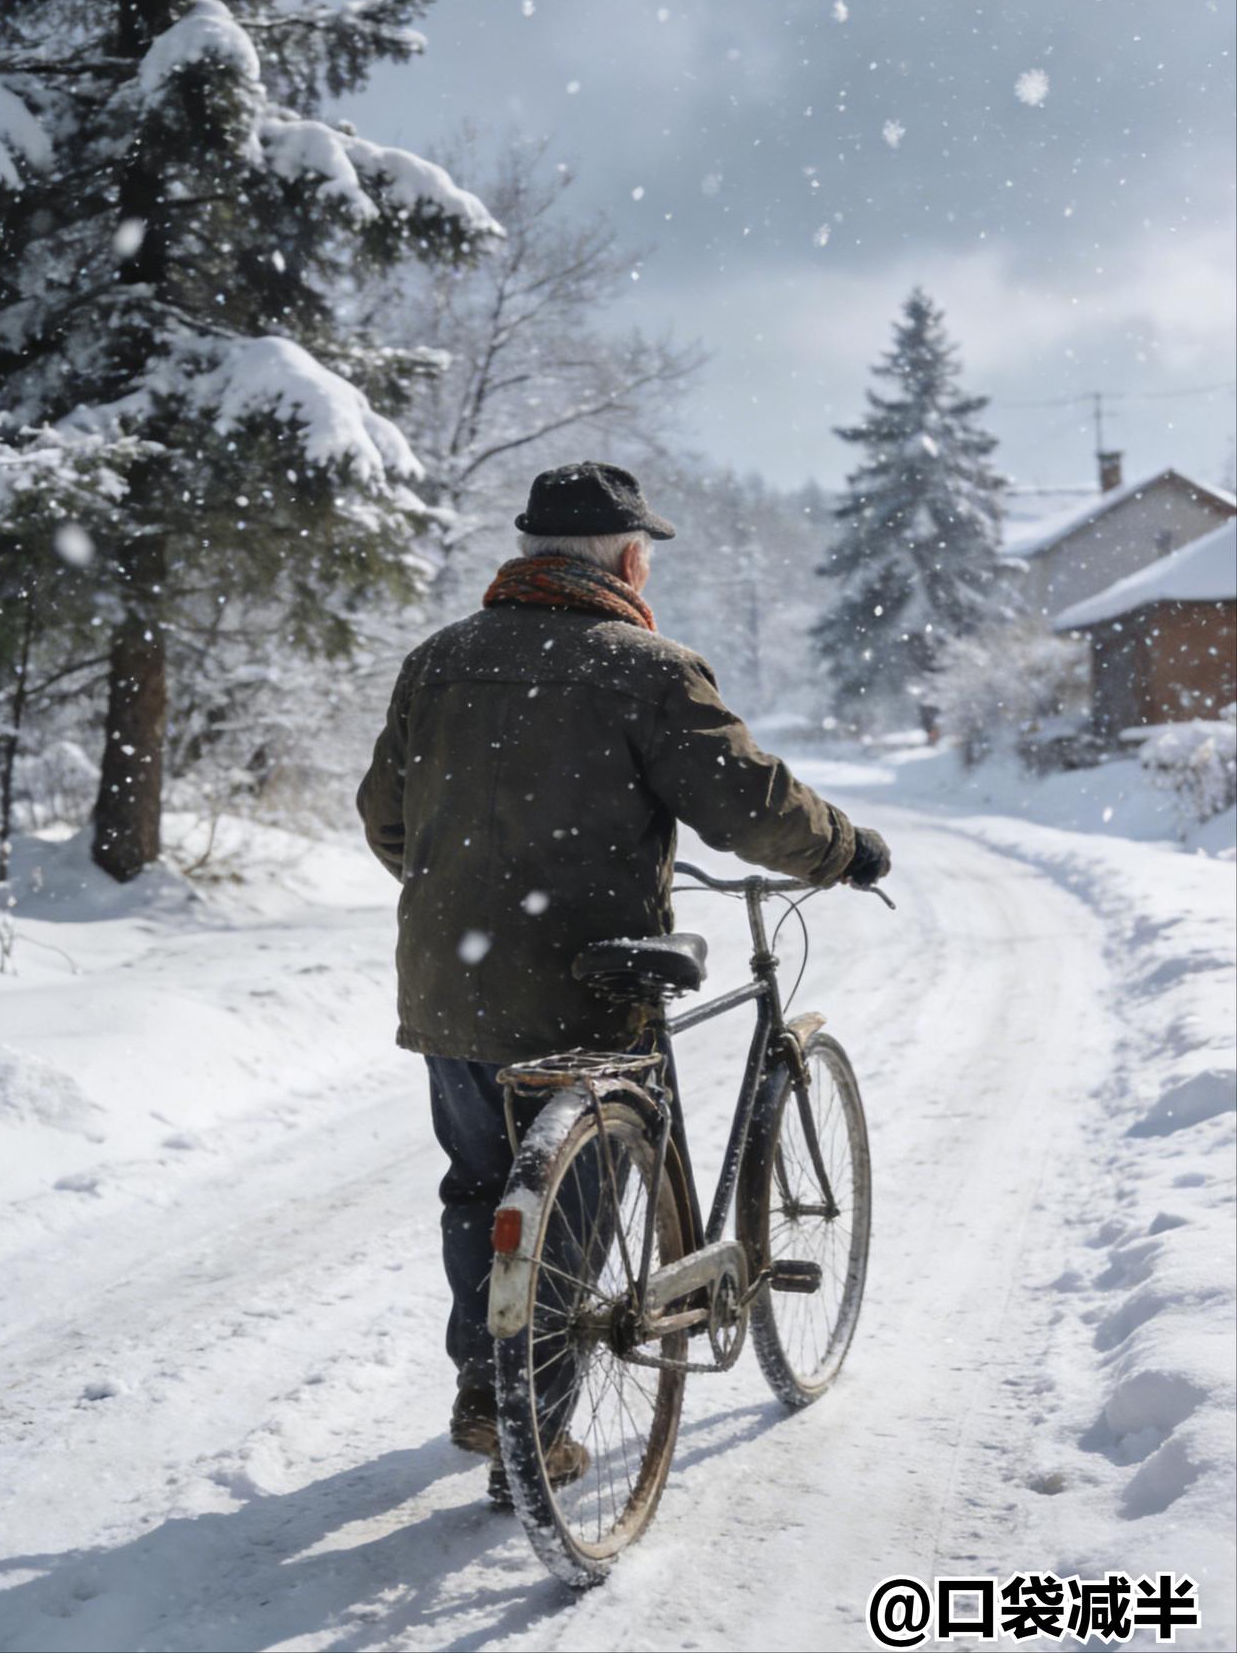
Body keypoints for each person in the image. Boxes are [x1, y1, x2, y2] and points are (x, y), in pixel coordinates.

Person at [356, 461, 891, 1499]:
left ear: (525, 552)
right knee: (574, 1214)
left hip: (448, 984)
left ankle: (488, 1384)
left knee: (481, 1186)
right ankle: (531, 1438)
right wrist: (844, 850)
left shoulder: (436, 662)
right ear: (630, 557)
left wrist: (463, 899)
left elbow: (388, 815)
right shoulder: (643, 666)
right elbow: (748, 802)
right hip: (583, 990)